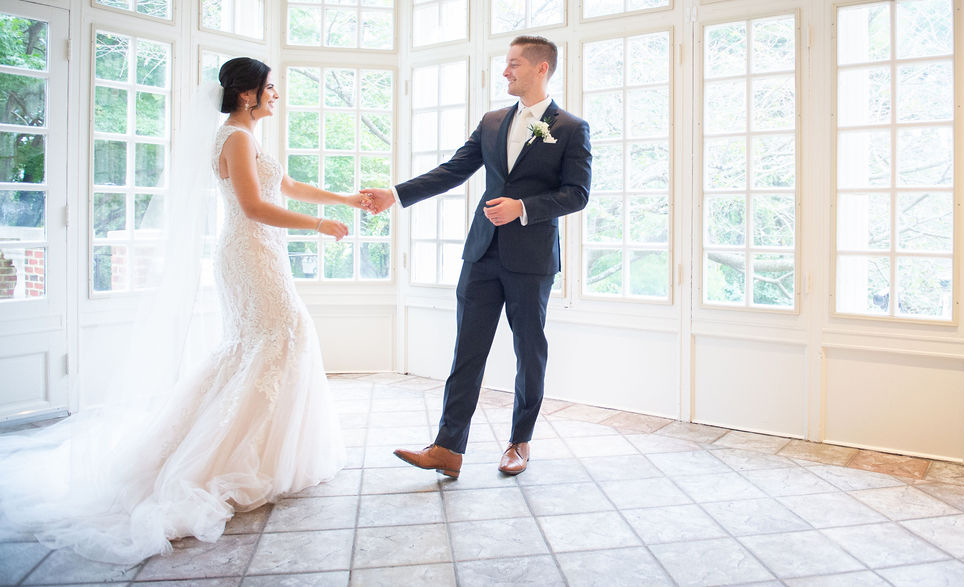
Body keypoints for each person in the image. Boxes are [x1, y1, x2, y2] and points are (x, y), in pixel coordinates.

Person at [0, 58, 364, 564]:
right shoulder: (235, 138)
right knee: (281, 335)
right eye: (270, 88)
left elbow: (289, 185)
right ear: (247, 96)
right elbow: (255, 206)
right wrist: (320, 226)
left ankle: (262, 451)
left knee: (261, 346)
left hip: (263, 252)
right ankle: (225, 459)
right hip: (250, 251)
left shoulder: (247, 136)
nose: (276, 95)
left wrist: (344, 199)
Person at [362, 35, 591, 478]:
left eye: (514, 63)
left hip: (531, 260)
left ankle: (519, 441)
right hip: (481, 254)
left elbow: (577, 194)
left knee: (529, 351)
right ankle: (448, 448)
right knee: (467, 351)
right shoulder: (490, 122)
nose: (505, 71)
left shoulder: (569, 128)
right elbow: (453, 171)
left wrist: (523, 208)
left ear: (541, 68)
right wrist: (394, 195)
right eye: (506, 64)